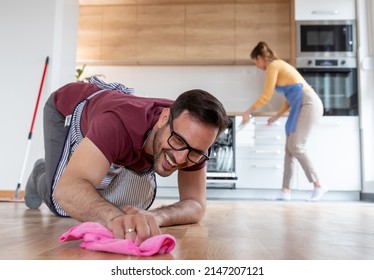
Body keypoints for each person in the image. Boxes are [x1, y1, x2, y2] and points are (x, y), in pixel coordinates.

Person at [25, 76, 229, 244]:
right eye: (177, 141)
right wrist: (117, 219)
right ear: (164, 119)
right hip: (67, 108)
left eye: (194, 152)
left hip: (112, 117)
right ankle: (40, 173)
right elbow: (67, 191)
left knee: (123, 205)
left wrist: (157, 217)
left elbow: (196, 204)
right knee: (60, 202)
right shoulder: (116, 124)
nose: (180, 158)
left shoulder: (195, 138)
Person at [242, 41, 326, 202]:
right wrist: (276, 116)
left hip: (308, 103)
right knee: (289, 149)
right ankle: (285, 191)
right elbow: (290, 99)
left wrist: (248, 112)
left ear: (260, 57)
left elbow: (266, 95)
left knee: (296, 146)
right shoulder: (278, 66)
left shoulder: (273, 66)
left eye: (255, 61)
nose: (257, 65)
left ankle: (318, 185)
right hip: (300, 104)